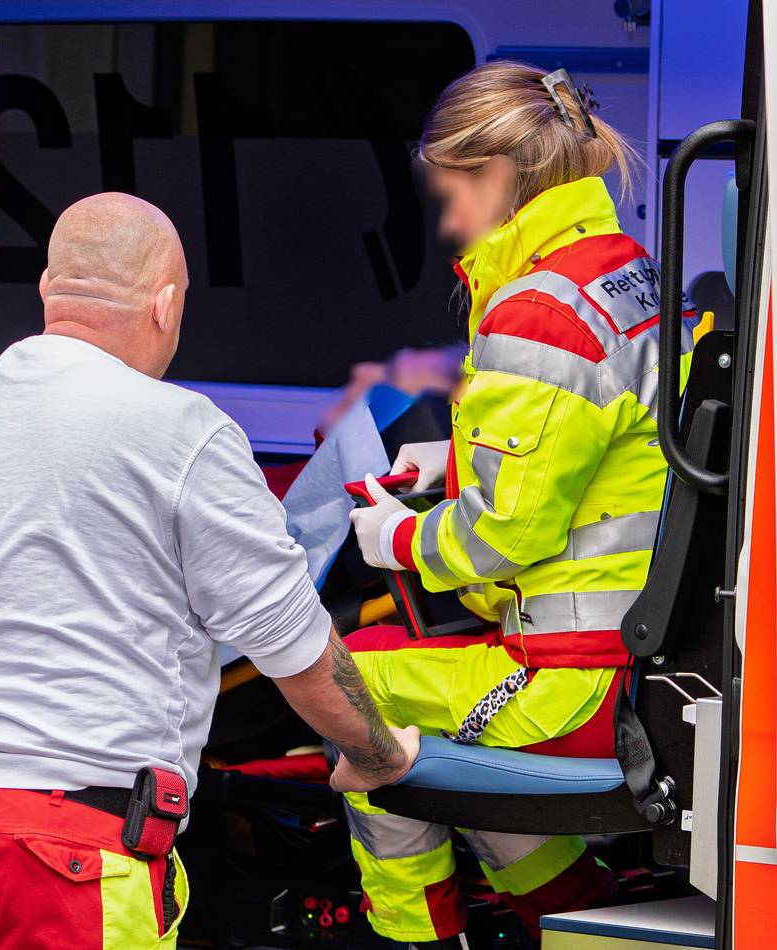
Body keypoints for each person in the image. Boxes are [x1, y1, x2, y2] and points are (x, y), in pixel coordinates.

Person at [0, 193, 418, 949]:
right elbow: (293, 644)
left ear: (48, 290)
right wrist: (375, 752)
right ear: (165, 306)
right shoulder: (184, 434)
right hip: (73, 850)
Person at [343, 61, 698, 947]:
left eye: (451, 191)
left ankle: (412, 939)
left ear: (500, 177)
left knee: (349, 689)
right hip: (631, 664)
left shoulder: (539, 314)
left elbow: (506, 534)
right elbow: (601, 449)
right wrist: (453, 458)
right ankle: (573, 914)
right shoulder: (620, 273)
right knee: (434, 735)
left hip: (573, 689)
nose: (448, 220)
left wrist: (398, 539)